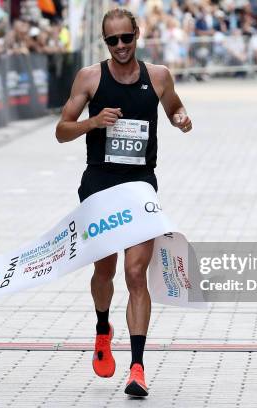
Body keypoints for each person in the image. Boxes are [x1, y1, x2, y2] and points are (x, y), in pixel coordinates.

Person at [55, 8, 192, 397]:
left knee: (136, 273)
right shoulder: (90, 77)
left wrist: (182, 119)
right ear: (105, 41)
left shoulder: (159, 76)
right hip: (99, 185)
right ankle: (102, 328)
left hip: (140, 187)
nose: (119, 47)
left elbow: (175, 108)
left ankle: (137, 367)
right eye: (111, 41)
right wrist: (92, 122)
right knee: (105, 271)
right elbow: (61, 131)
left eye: (125, 39)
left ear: (137, 34)